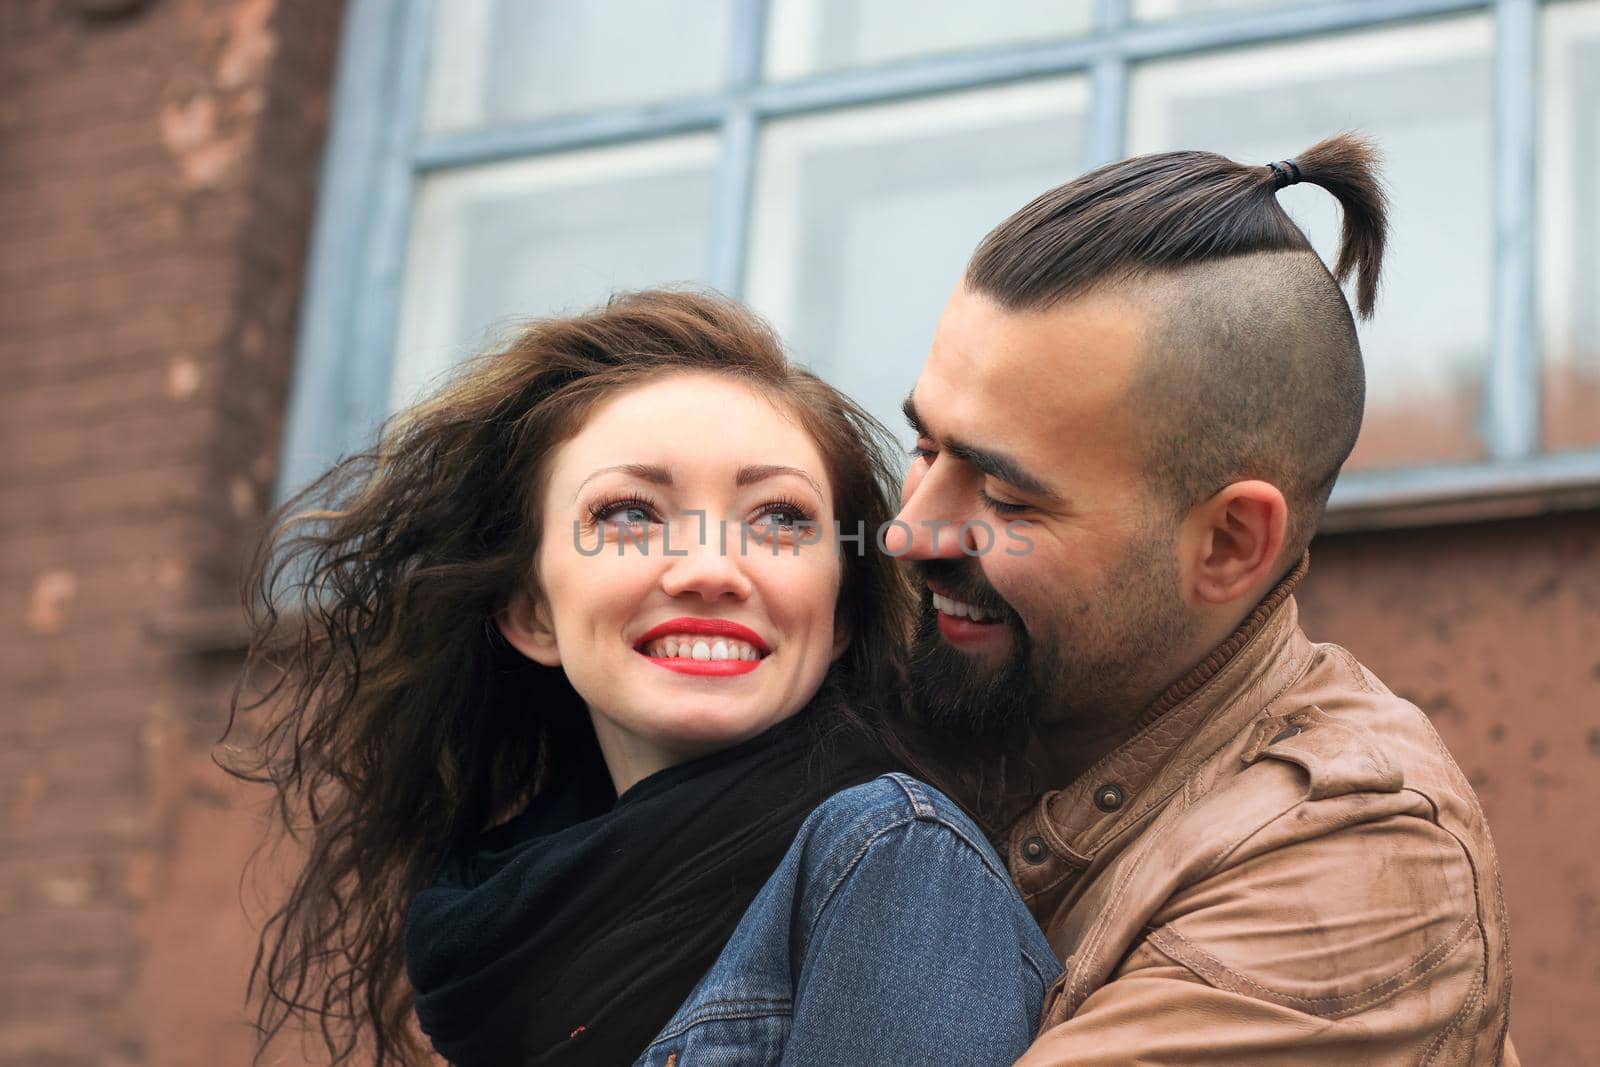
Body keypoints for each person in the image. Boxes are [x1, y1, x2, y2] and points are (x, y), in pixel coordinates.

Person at [221, 290, 1056, 1066]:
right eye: (629, 514)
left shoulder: (896, 860)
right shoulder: (489, 947)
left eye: (779, 518)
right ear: (532, 612)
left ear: (838, 617)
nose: (709, 569)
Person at [883, 132, 1518, 1063]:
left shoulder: (1358, 870)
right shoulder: (957, 680)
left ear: (1227, 543)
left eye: (1008, 496)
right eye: (928, 450)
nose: (910, 533)